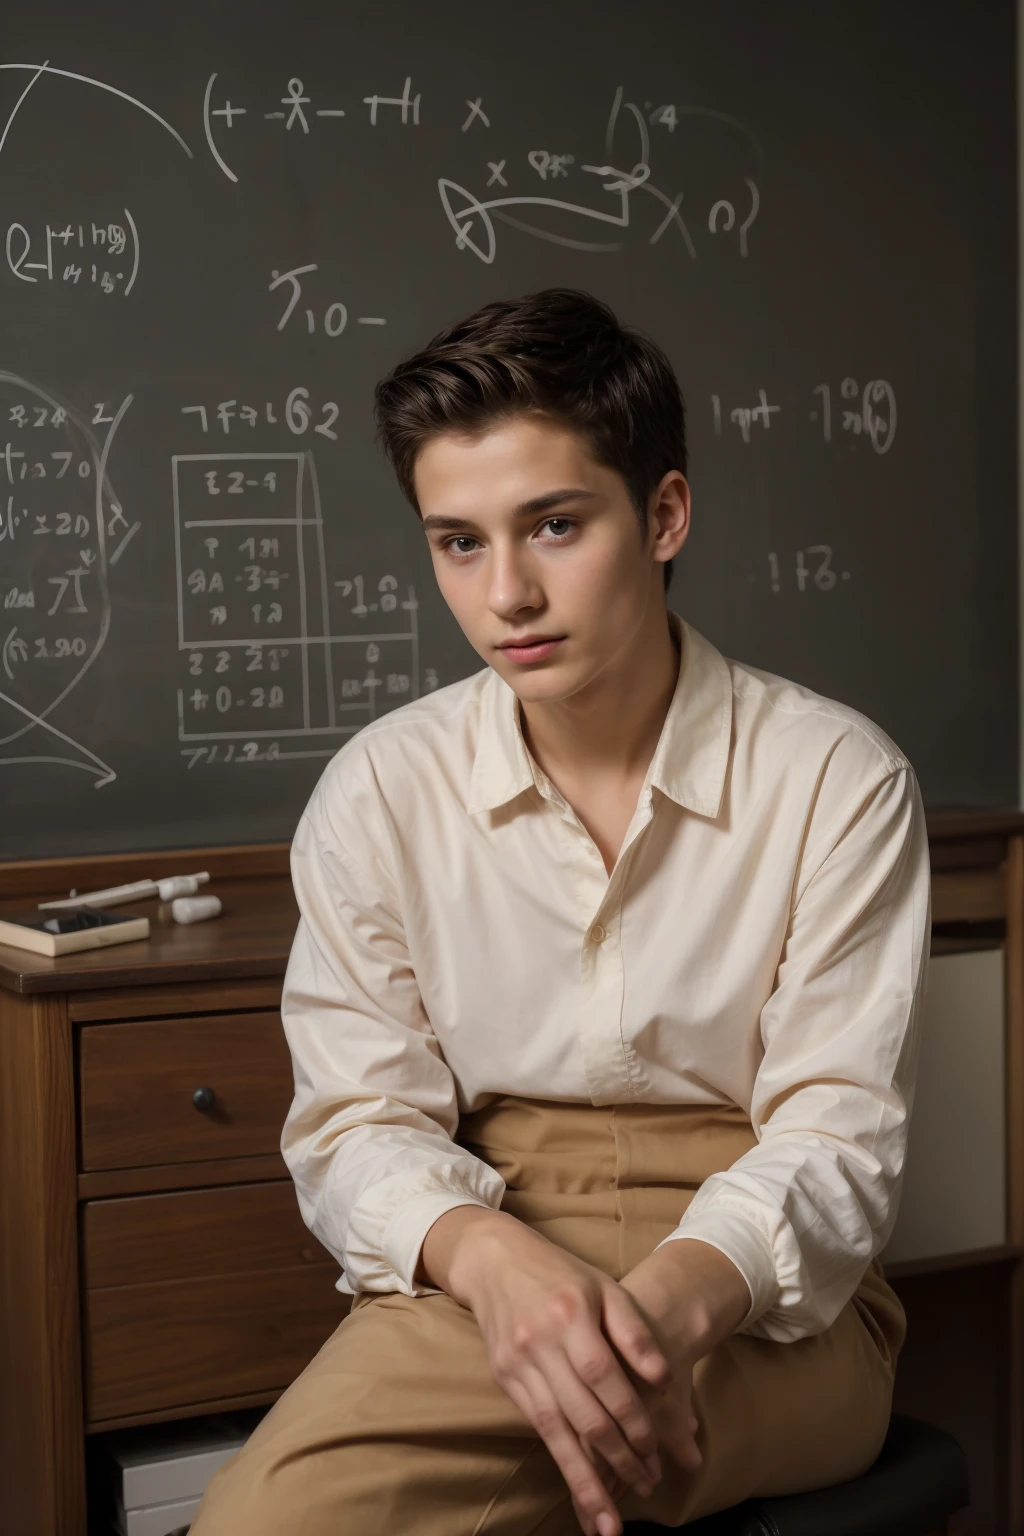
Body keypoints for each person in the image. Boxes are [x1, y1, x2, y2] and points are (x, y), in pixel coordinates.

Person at [189, 288, 931, 1536]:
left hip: (764, 1287)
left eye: (553, 525)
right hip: (496, 1250)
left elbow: (838, 1137)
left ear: (663, 514)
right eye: (458, 542)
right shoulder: (380, 788)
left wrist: (655, 1314)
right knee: (270, 1516)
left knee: (586, 1432)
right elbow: (356, 1122)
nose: (507, 594)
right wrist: (499, 1269)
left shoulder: (836, 777)